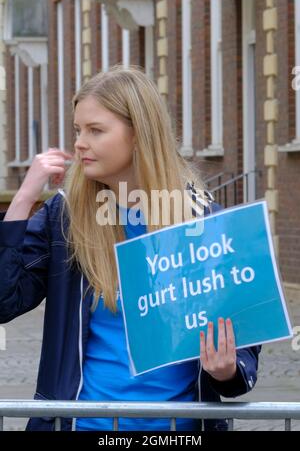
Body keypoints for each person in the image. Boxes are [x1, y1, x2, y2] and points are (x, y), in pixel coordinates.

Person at [0, 65, 260, 431]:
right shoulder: (66, 218)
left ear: (138, 134)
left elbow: (243, 349)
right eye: (78, 130)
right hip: (83, 425)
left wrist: (227, 368)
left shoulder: (202, 221)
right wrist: (25, 198)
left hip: (178, 431)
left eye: (95, 130)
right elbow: (4, 300)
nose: (79, 143)